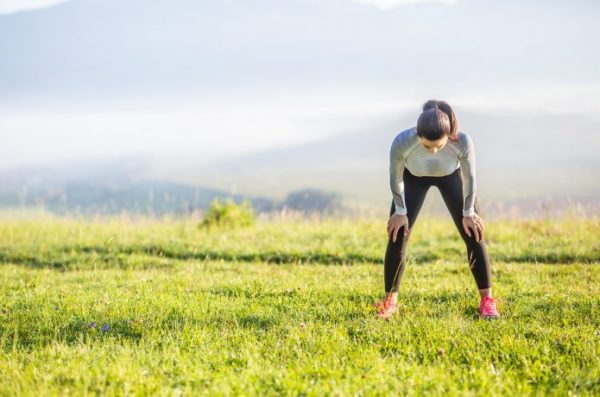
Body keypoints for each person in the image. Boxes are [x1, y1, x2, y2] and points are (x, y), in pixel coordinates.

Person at [374, 99, 500, 320]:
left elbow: (470, 178)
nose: (433, 152)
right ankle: (390, 302)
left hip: (451, 178)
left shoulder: (462, 141)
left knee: (474, 233)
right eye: (426, 146)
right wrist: (400, 211)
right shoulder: (402, 141)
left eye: (438, 147)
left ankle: (487, 302)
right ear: (417, 134)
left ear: (449, 135)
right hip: (413, 179)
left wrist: (469, 212)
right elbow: (395, 178)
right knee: (397, 235)